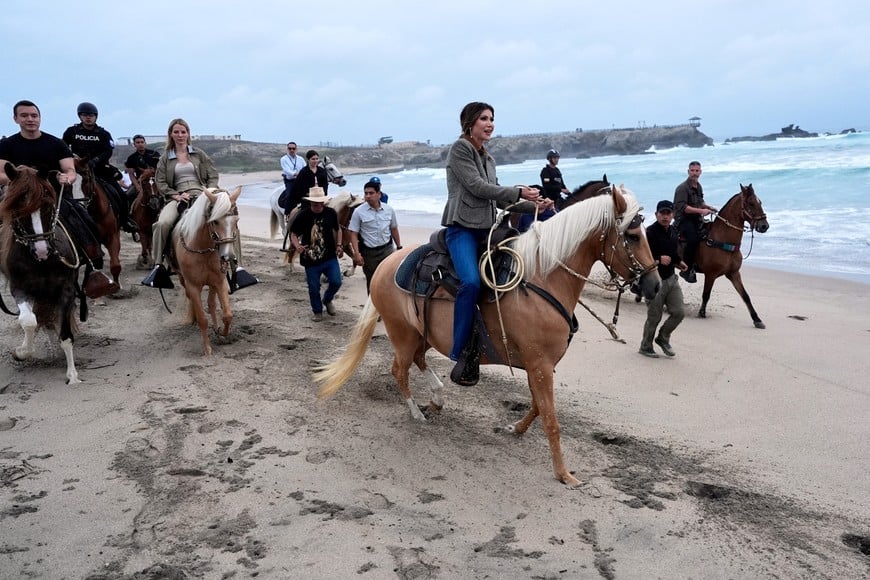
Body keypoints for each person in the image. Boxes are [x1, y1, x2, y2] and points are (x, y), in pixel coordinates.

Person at [441, 101, 551, 386]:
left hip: (488, 229)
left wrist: (535, 205)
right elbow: (478, 187)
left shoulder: (488, 157)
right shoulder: (460, 149)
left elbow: (500, 199)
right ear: (469, 123)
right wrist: (518, 191)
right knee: (471, 283)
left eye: (492, 119)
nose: (490, 123)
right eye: (484, 119)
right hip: (462, 229)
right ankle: (459, 348)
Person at [0, 100, 105, 276]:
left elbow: (70, 170)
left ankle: (95, 268)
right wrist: (24, 183)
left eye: (34, 115)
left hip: (54, 197)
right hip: (18, 199)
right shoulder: (6, 145)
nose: (30, 119)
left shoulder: (56, 143)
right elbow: (1, 173)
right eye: (24, 116)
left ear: (40, 118)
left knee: (85, 221)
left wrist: (68, 178)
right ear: (15, 119)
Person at [142, 118, 221, 288]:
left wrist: (211, 191)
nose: (180, 135)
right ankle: (158, 266)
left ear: (188, 134)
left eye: (183, 132)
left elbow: (213, 175)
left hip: (202, 194)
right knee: (162, 223)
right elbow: (160, 182)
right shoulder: (165, 158)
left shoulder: (199, 154)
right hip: (177, 196)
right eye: (176, 132)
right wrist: (175, 195)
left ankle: (236, 266)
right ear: (170, 134)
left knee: (227, 217)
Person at [62, 102, 138, 234]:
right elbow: (63, 148)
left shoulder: (103, 134)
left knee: (121, 194)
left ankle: (125, 221)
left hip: (100, 170)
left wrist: (96, 160)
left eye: (91, 115)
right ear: (80, 116)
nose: (88, 118)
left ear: (95, 117)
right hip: (78, 171)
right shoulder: (72, 132)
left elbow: (108, 151)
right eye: (85, 115)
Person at [639, 200, 687, 358]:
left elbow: (672, 253)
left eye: (668, 213)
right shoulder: (649, 233)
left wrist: (678, 262)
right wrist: (659, 259)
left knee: (679, 312)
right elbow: (641, 257)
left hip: (671, 279)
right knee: (654, 317)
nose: (665, 217)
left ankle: (663, 338)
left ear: (673, 215)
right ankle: (645, 346)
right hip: (654, 281)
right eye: (662, 213)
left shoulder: (674, 231)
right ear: (656, 214)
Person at [289, 186, 343, 321]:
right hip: (310, 259)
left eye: (320, 203)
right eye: (314, 203)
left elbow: (338, 229)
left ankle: (327, 299)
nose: (318, 206)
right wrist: (298, 246)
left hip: (330, 256)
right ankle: (317, 311)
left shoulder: (331, 213)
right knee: (314, 288)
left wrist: (339, 245)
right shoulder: (303, 215)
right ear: (310, 202)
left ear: (324, 202)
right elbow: (293, 233)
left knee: (336, 281)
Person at [348, 179, 402, 293]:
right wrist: (356, 254)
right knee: (372, 283)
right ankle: (372, 309)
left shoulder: (389, 210)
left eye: (371, 193)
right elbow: (353, 234)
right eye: (366, 193)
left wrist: (399, 247)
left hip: (387, 250)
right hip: (369, 253)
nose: (368, 196)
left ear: (379, 194)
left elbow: (394, 228)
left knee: (389, 281)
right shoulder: (358, 212)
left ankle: (386, 309)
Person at [673, 160, 716, 283]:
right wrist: (701, 211)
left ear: (700, 172)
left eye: (697, 171)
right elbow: (683, 208)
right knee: (693, 239)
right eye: (692, 171)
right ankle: (686, 269)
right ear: (688, 171)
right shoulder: (682, 188)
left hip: (696, 218)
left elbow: (700, 201)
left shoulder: (698, 186)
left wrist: (707, 207)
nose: (695, 173)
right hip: (683, 220)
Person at [285, 149, 330, 216]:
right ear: (308, 160)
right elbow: (299, 186)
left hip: (320, 197)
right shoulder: (303, 172)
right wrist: (308, 195)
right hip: (307, 198)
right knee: (303, 214)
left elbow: (325, 184)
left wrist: (324, 194)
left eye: (317, 159)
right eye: (313, 159)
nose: (315, 161)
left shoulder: (322, 171)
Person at [124, 134, 161, 199]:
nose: (140, 144)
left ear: (145, 143)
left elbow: (161, 168)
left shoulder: (154, 154)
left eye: (142, 142)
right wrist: (137, 186)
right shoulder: (131, 158)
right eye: (138, 142)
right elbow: (131, 174)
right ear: (134, 144)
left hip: (155, 180)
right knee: (127, 196)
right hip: (141, 181)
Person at [278, 141, 305, 212]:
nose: (291, 150)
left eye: (293, 148)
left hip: (300, 180)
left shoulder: (301, 159)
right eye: (290, 148)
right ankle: (287, 213)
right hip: (290, 180)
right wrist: (295, 174)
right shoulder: (283, 159)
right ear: (287, 149)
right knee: (289, 195)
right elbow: (286, 170)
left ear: (296, 149)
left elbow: (305, 168)